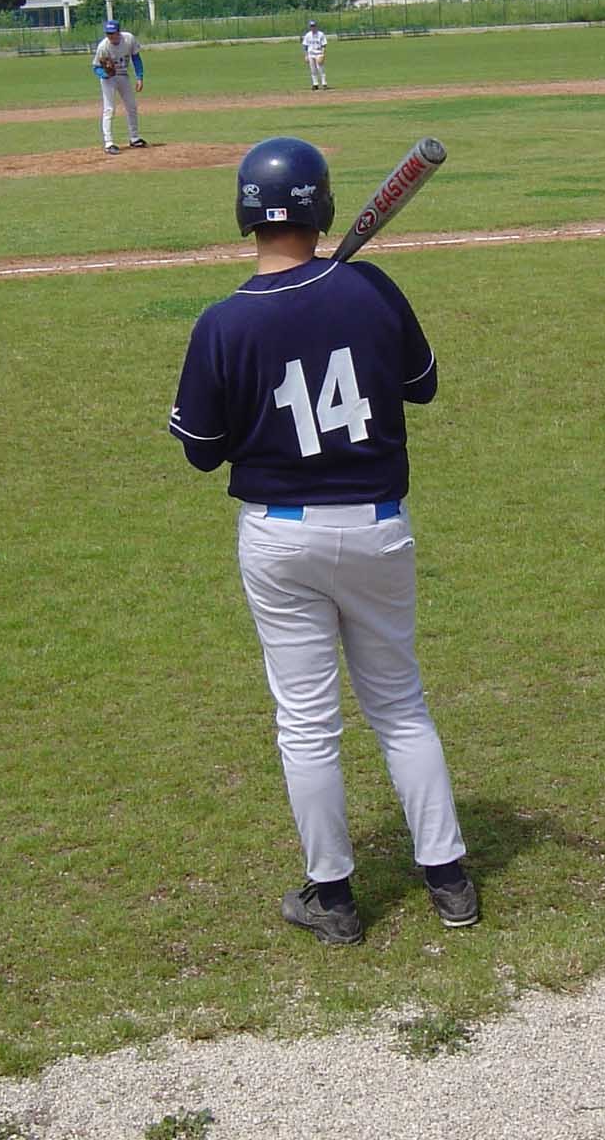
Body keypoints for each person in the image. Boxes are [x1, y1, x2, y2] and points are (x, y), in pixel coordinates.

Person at [169, 137, 477, 946]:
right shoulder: (370, 287)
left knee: (307, 722)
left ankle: (332, 897)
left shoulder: (225, 321)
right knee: (400, 705)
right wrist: (353, 310)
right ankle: (448, 881)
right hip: (377, 527)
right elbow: (423, 385)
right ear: (326, 208)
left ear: (243, 213)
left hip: (280, 537)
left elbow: (201, 449)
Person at [91, 19, 145, 154]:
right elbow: (96, 67)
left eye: (112, 33)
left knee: (131, 106)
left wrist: (139, 77)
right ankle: (108, 143)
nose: (110, 36)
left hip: (123, 76)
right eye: (108, 33)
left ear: (118, 32)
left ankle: (134, 138)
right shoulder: (103, 46)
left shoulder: (129, 39)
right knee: (109, 109)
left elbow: (136, 58)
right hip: (108, 79)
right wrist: (104, 74)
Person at [302, 19, 330, 90]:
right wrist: (306, 55)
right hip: (311, 54)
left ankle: (324, 84)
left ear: (316, 26)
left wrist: (323, 54)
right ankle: (315, 84)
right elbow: (305, 46)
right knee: (313, 70)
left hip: (319, 53)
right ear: (309, 27)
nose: (313, 27)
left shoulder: (321, 34)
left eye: (314, 26)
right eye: (311, 26)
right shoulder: (308, 35)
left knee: (320, 69)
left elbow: (324, 45)